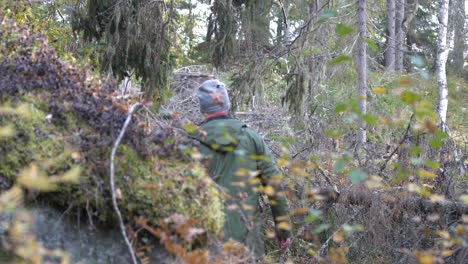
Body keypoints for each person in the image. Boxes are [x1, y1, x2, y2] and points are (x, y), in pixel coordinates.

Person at [192, 79, 292, 258]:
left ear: (203, 108)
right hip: (247, 240)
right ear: (227, 104)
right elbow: (274, 185)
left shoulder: (189, 141)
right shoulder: (251, 138)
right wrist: (283, 230)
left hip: (203, 240)